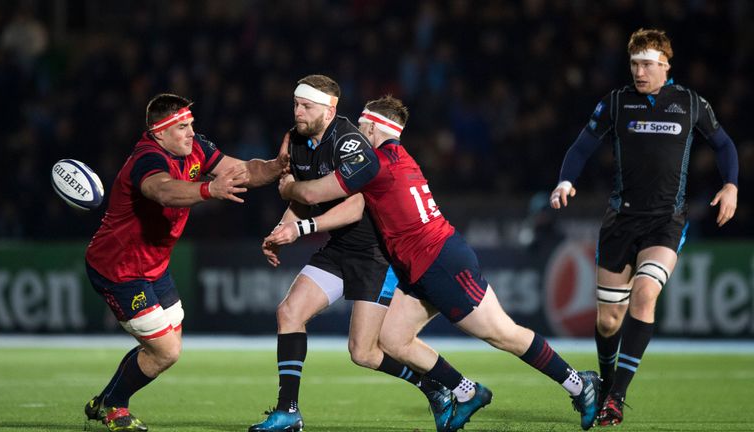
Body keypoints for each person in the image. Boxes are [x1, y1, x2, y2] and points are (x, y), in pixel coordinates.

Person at [274, 95, 602, 431]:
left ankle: (578, 383)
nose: (356, 134)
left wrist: (289, 186)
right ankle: (464, 392)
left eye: (361, 127)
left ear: (372, 127)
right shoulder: (393, 157)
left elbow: (315, 193)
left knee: (502, 334)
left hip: (441, 261)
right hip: (419, 264)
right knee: (392, 340)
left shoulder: (372, 164)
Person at [549, 28, 738, 426]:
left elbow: (723, 144)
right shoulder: (616, 103)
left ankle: (615, 396)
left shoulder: (689, 103)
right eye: (634, 64)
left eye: (647, 65)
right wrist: (566, 180)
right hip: (621, 220)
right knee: (607, 321)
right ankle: (603, 380)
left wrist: (731, 185)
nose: (639, 72)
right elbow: (582, 145)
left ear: (665, 66)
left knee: (646, 294)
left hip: (666, 222)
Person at [252, 75, 455, 432]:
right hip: (339, 248)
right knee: (289, 312)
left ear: (329, 109)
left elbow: (357, 207)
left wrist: (301, 228)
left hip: (374, 254)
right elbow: (299, 198)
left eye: (306, 106)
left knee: (363, 353)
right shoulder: (298, 140)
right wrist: (282, 228)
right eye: (296, 105)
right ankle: (288, 411)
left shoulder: (351, 143)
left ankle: (433, 386)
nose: (298, 112)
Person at [83, 93, 289, 432]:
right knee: (166, 352)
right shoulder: (147, 158)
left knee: (166, 343)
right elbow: (163, 190)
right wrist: (209, 190)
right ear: (159, 133)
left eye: (191, 124)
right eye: (182, 127)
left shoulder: (195, 148)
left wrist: (275, 166)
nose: (192, 133)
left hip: (155, 266)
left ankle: (104, 399)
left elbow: (242, 170)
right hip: (119, 269)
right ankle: (114, 406)